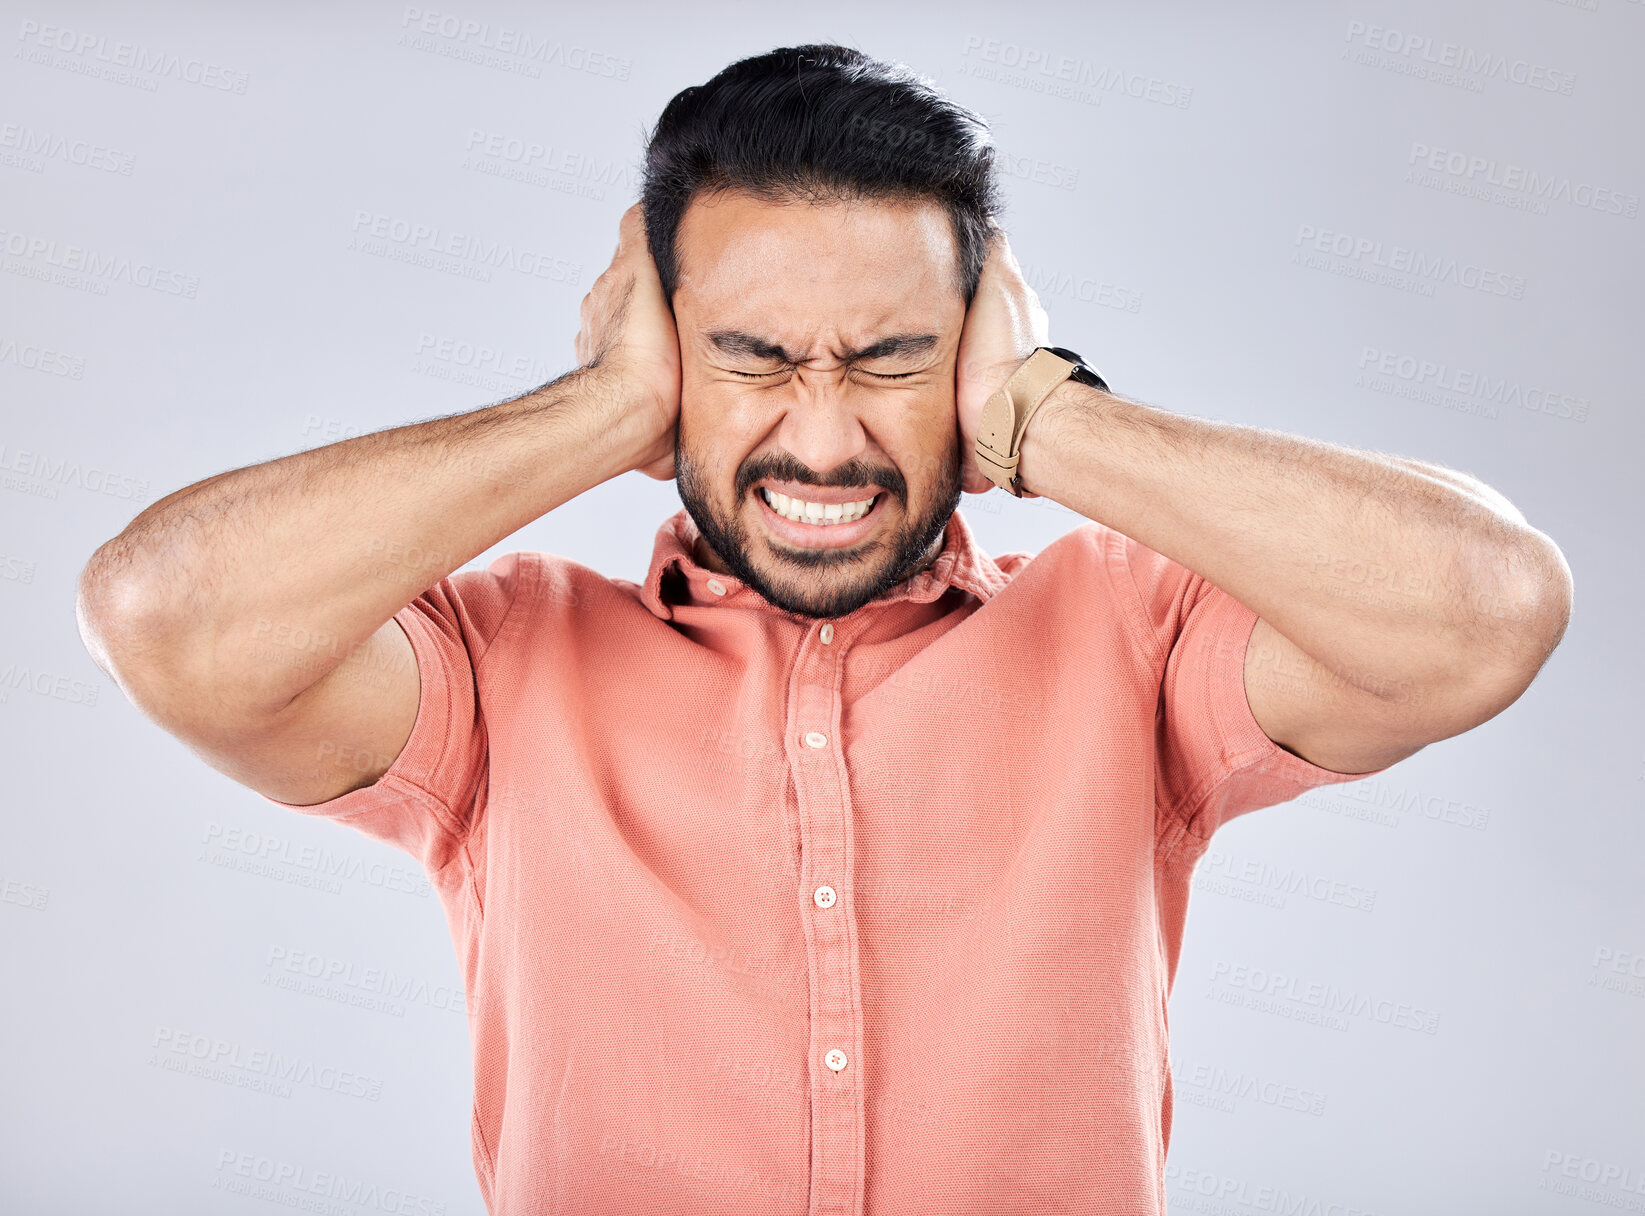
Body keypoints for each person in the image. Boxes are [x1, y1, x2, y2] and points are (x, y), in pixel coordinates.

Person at [76, 43, 1571, 1216]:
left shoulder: (1130, 638)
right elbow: (165, 614)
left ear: (975, 348)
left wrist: (1045, 414)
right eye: (747, 358)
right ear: (661, 347)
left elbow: (1484, 610)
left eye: (891, 359)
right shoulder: (498, 670)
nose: (823, 437)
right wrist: (598, 412)